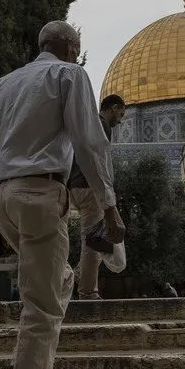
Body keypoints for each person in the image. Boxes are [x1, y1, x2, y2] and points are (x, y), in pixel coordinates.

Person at [0, 20, 124, 369]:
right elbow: (89, 141)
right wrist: (109, 206)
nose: (78, 56)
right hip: (39, 193)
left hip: (2, 196)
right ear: (67, 47)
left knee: (59, 283)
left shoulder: (6, 83)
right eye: (77, 49)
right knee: (41, 310)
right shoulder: (68, 75)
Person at [67, 94, 126, 300]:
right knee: (93, 241)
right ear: (114, 108)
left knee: (98, 239)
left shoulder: (89, 124)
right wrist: (108, 200)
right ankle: (88, 292)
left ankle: (80, 274)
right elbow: (99, 163)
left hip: (75, 188)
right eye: (121, 113)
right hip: (90, 188)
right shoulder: (101, 125)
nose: (121, 119)